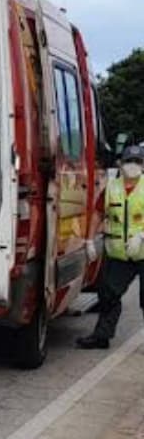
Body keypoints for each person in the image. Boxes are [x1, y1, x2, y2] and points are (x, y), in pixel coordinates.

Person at [77, 144, 144, 350]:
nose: (132, 166)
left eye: (137, 162)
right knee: (108, 295)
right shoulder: (111, 188)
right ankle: (101, 336)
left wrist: (142, 235)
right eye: (128, 161)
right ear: (120, 164)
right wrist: (89, 240)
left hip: (143, 252)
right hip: (118, 254)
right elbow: (98, 213)